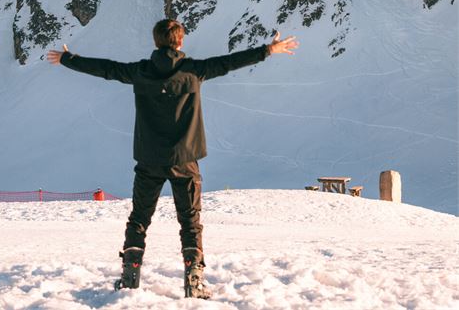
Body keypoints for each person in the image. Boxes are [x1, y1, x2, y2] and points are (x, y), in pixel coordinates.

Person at [47, 20, 299, 299]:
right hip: (185, 160)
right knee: (190, 221)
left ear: (156, 42)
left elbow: (107, 69)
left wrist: (69, 59)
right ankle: (194, 280)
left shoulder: (140, 72)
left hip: (149, 160)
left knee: (139, 218)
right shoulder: (194, 71)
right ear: (180, 42)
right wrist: (268, 50)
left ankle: (130, 276)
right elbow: (229, 62)